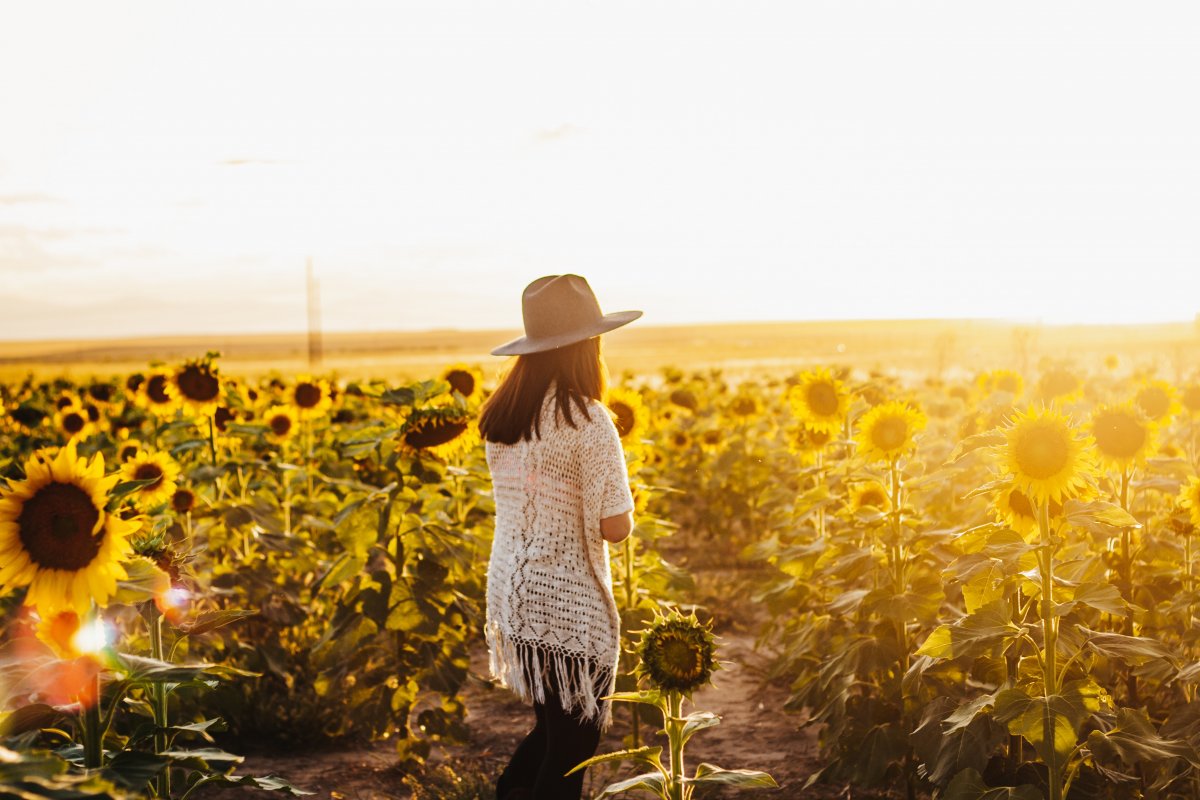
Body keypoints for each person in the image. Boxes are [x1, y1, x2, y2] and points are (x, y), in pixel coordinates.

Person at [479, 274, 642, 800]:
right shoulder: (589, 420)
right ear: (586, 347)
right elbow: (614, 528)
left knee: (553, 732)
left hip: (514, 595)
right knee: (574, 748)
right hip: (565, 605)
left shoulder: (504, 416)